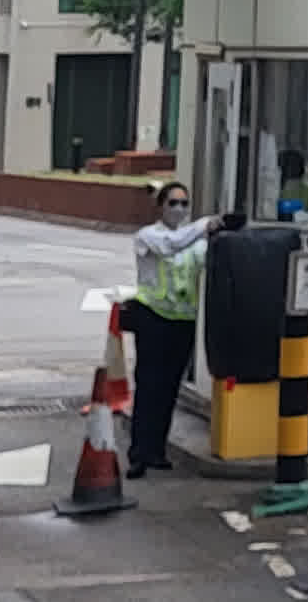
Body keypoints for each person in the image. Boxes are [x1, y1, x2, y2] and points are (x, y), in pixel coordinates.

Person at [120, 182, 235, 477]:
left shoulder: (194, 243)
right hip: (151, 318)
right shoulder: (148, 236)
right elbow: (170, 245)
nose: (179, 209)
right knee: (149, 387)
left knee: (169, 388)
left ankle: (157, 451)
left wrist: (224, 234)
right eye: (173, 203)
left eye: (184, 204)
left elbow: (208, 258)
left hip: (182, 323)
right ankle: (139, 454)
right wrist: (204, 225)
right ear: (160, 206)